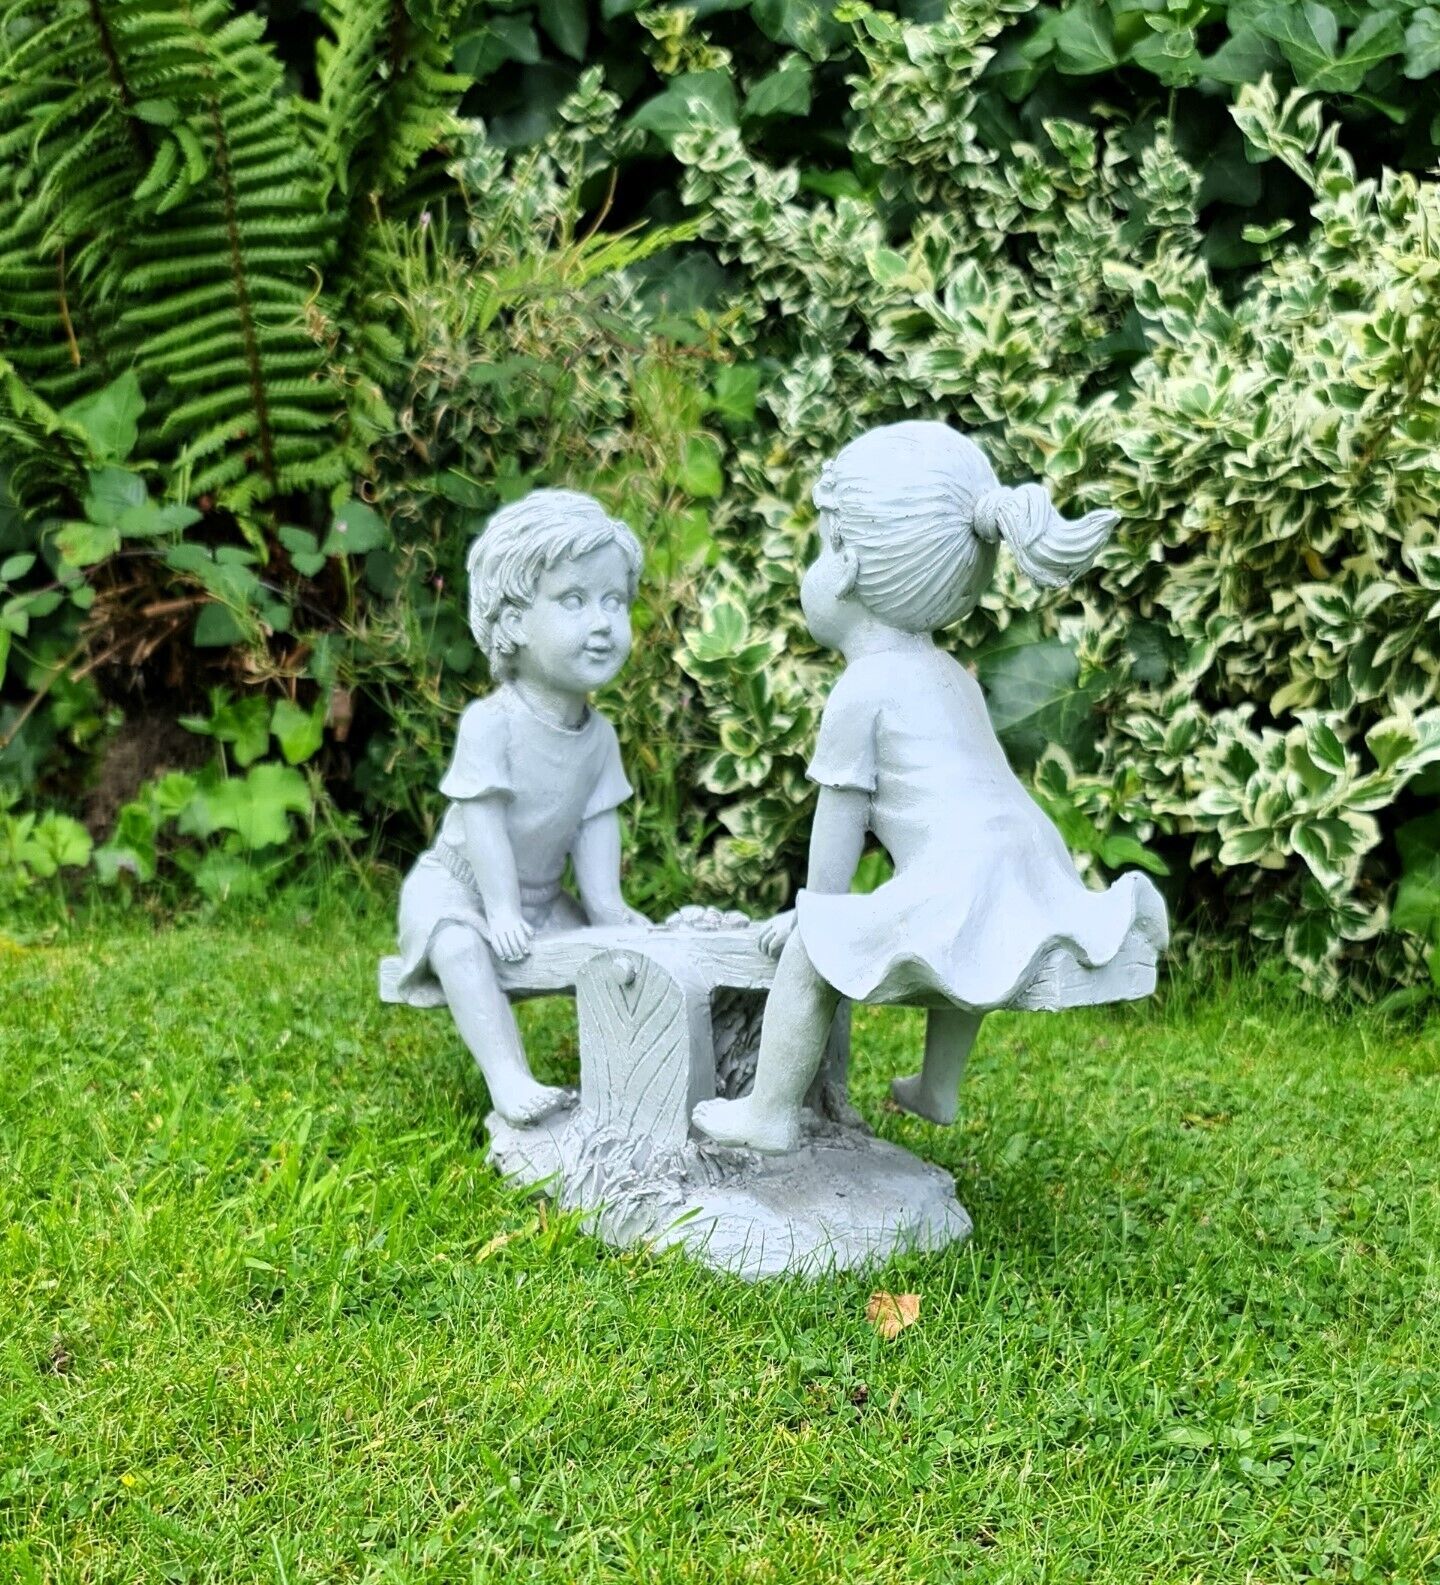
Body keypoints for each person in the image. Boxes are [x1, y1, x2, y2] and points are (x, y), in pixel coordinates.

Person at [692, 421, 1169, 1154]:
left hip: (967, 862)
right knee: (980, 937)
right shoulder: (951, 677)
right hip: (1024, 849)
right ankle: (936, 1086)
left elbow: (840, 819)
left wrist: (815, 913)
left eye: (821, 546)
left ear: (847, 566)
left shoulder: (863, 689)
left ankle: (769, 1111)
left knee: (815, 951)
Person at [379, 489, 648, 1125]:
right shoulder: (490, 725)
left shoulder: (600, 738)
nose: (604, 621)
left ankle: (627, 1080)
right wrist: (498, 910)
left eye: (615, 601)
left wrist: (605, 907)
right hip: (462, 889)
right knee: (459, 947)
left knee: (625, 954)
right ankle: (509, 1080)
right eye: (574, 601)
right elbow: (484, 826)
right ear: (513, 622)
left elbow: (593, 827)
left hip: (543, 902)